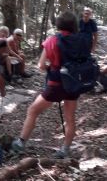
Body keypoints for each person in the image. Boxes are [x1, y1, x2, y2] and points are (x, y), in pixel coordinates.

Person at [12, 11, 81, 159]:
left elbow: (41, 65)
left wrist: (52, 68)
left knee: (33, 111)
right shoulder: (80, 39)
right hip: (74, 84)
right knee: (70, 117)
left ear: (59, 24)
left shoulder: (52, 40)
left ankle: (20, 143)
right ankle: (65, 149)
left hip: (55, 84)